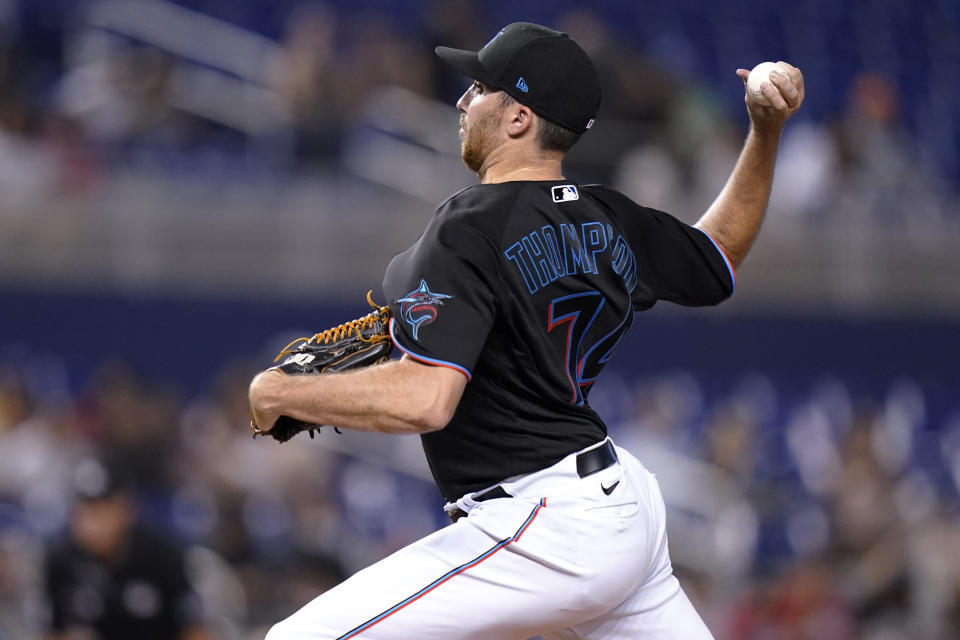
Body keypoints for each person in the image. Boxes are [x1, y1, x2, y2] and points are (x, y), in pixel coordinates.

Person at [249, 21, 804, 640]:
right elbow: (719, 255)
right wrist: (766, 130)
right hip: (621, 508)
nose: (461, 101)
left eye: (480, 88)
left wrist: (278, 393)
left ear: (519, 118)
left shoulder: (468, 227)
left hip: (544, 522)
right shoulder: (607, 215)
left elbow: (425, 399)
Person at [43, 458, 212, 640]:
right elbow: (53, 631)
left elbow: (195, 629)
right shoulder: (61, 563)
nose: (93, 525)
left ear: (127, 509)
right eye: (85, 511)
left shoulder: (163, 557)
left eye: (103, 510)